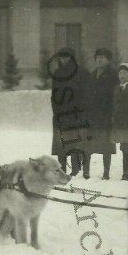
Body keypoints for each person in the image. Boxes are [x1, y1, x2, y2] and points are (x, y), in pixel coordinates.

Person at [50, 47, 88, 176]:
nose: (63, 60)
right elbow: (54, 95)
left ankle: (76, 168)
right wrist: (55, 110)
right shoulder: (57, 73)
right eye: (61, 57)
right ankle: (62, 169)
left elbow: (86, 94)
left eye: (66, 57)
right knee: (60, 144)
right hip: (60, 114)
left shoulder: (81, 73)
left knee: (74, 143)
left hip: (75, 114)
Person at [84, 47, 119, 180]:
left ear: (108, 60)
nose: (99, 59)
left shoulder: (113, 75)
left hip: (105, 116)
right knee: (88, 145)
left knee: (106, 146)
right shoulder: (92, 75)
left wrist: (111, 114)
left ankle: (106, 173)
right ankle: (86, 171)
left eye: (103, 57)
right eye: (97, 57)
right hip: (91, 116)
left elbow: (115, 97)